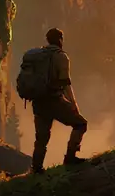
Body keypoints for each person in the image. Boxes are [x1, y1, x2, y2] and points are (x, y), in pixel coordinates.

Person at [31, 27, 87, 174]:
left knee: (41, 138)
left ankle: (36, 169)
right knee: (81, 124)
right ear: (60, 39)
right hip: (54, 101)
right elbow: (65, 83)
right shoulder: (61, 57)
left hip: (38, 102)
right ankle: (70, 158)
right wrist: (74, 104)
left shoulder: (38, 55)